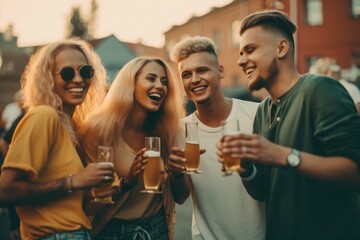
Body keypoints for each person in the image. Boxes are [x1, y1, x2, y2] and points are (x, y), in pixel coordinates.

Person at [217, 10, 360, 240]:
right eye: (241, 52)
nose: (240, 60)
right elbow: (262, 192)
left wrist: (284, 156)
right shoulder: (263, 111)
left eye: (250, 50)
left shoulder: (320, 89)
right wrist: (244, 168)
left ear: (281, 48)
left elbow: (355, 173)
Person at [0, 38, 115, 239]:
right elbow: (6, 191)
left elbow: (77, 209)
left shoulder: (69, 128)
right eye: (67, 72)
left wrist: (104, 191)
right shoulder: (44, 116)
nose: (78, 80)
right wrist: (74, 181)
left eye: (86, 71)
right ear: (48, 79)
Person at [168, 36, 265, 240]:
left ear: (220, 71)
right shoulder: (179, 130)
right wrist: (176, 174)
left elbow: (272, 184)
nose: (194, 79)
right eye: (186, 74)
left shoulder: (257, 114)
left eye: (202, 70)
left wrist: (247, 166)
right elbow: (181, 197)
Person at [78, 56, 185, 239]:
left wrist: (178, 172)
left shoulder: (164, 131)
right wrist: (126, 182)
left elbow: (182, 197)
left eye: (164, 81)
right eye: (151, 78)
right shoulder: (98, 131)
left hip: (157, 228)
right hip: (113, 231)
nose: (160, 86)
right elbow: (88, 205)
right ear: (130, 84)